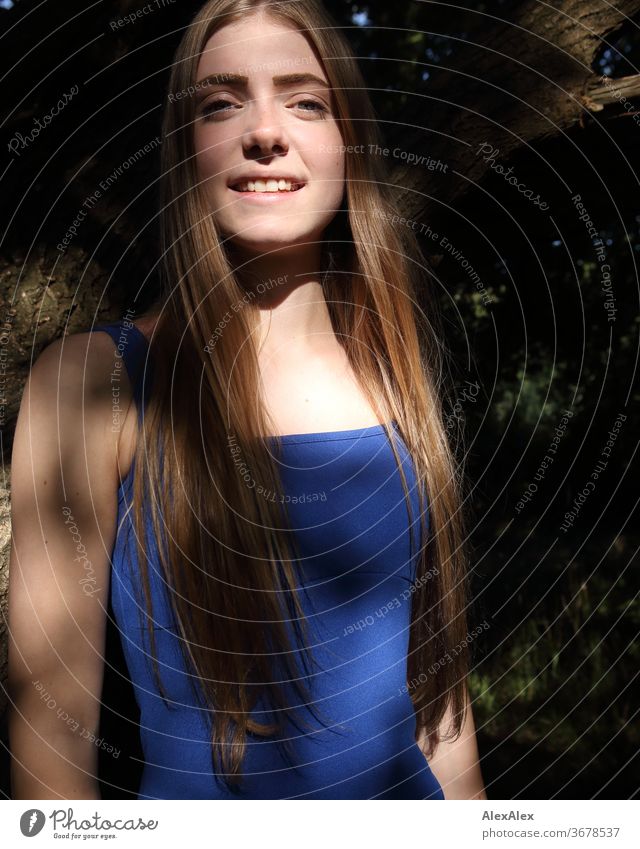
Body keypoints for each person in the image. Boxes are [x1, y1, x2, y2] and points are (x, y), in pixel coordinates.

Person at [8, 0, 487, 800]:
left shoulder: (392, 368)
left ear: (348, 143)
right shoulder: (99, 381)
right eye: (221, 103)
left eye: (305, 100)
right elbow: (49, 737)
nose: (265, 130)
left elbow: (440, 708)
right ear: (182, 149)